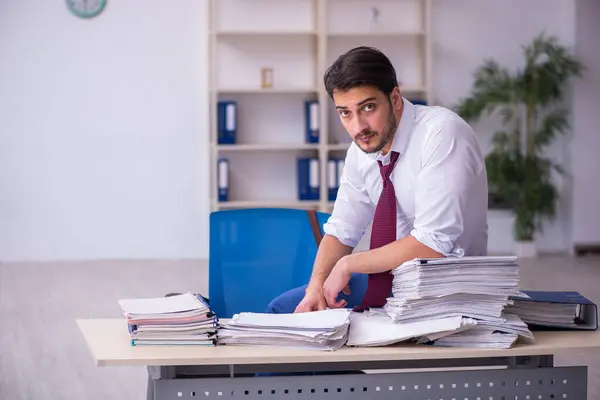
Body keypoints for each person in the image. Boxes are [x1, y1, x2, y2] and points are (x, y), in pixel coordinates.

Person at [267, 46, 489, 314]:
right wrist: (315, 286)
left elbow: (433, 243)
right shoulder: (361, 152)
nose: (358, 127)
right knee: (287, 309)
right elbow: (341, 229)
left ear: (395, 98)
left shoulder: (442, 133)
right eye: (345, 113)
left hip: (447, 288)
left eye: (368, 107)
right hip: (397, 282)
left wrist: (350, 264)